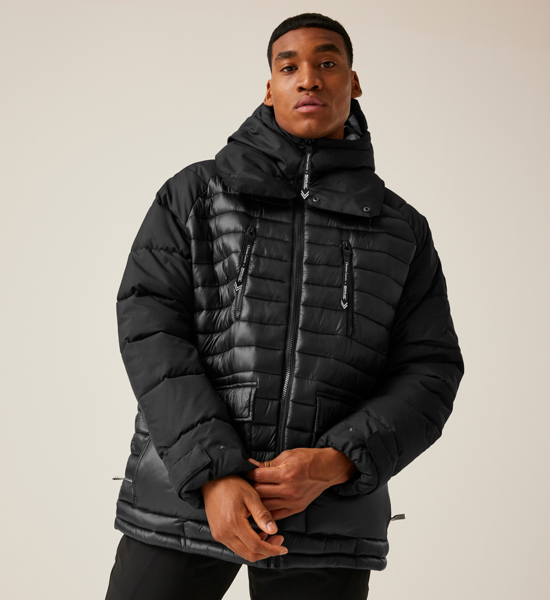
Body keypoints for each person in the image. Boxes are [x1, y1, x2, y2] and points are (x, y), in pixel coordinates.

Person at [104, 12, 464, 600]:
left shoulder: (401, 229)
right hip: (184, 498)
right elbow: (151, 326)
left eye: (328, 62)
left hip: (329, 515)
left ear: (354, 82)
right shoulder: (194, 195)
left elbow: (431, 369)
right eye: (289, 66)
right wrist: (214, 474)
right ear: (269, 87)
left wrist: (336, 462)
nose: (309, 78)